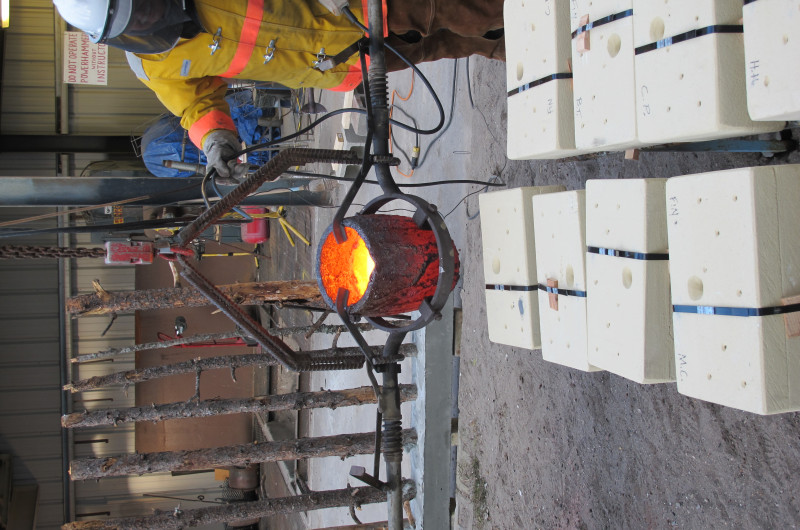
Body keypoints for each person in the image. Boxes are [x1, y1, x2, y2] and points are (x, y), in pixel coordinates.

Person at [53, 0, 505, 182]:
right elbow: (193, 104)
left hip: (351, 5)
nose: (149, 21)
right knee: (443, 44)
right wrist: (214, 138)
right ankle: (537, 44)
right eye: (137, 25)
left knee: (460, 6)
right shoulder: (154, 63)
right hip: (344, 56)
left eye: (146, 9)